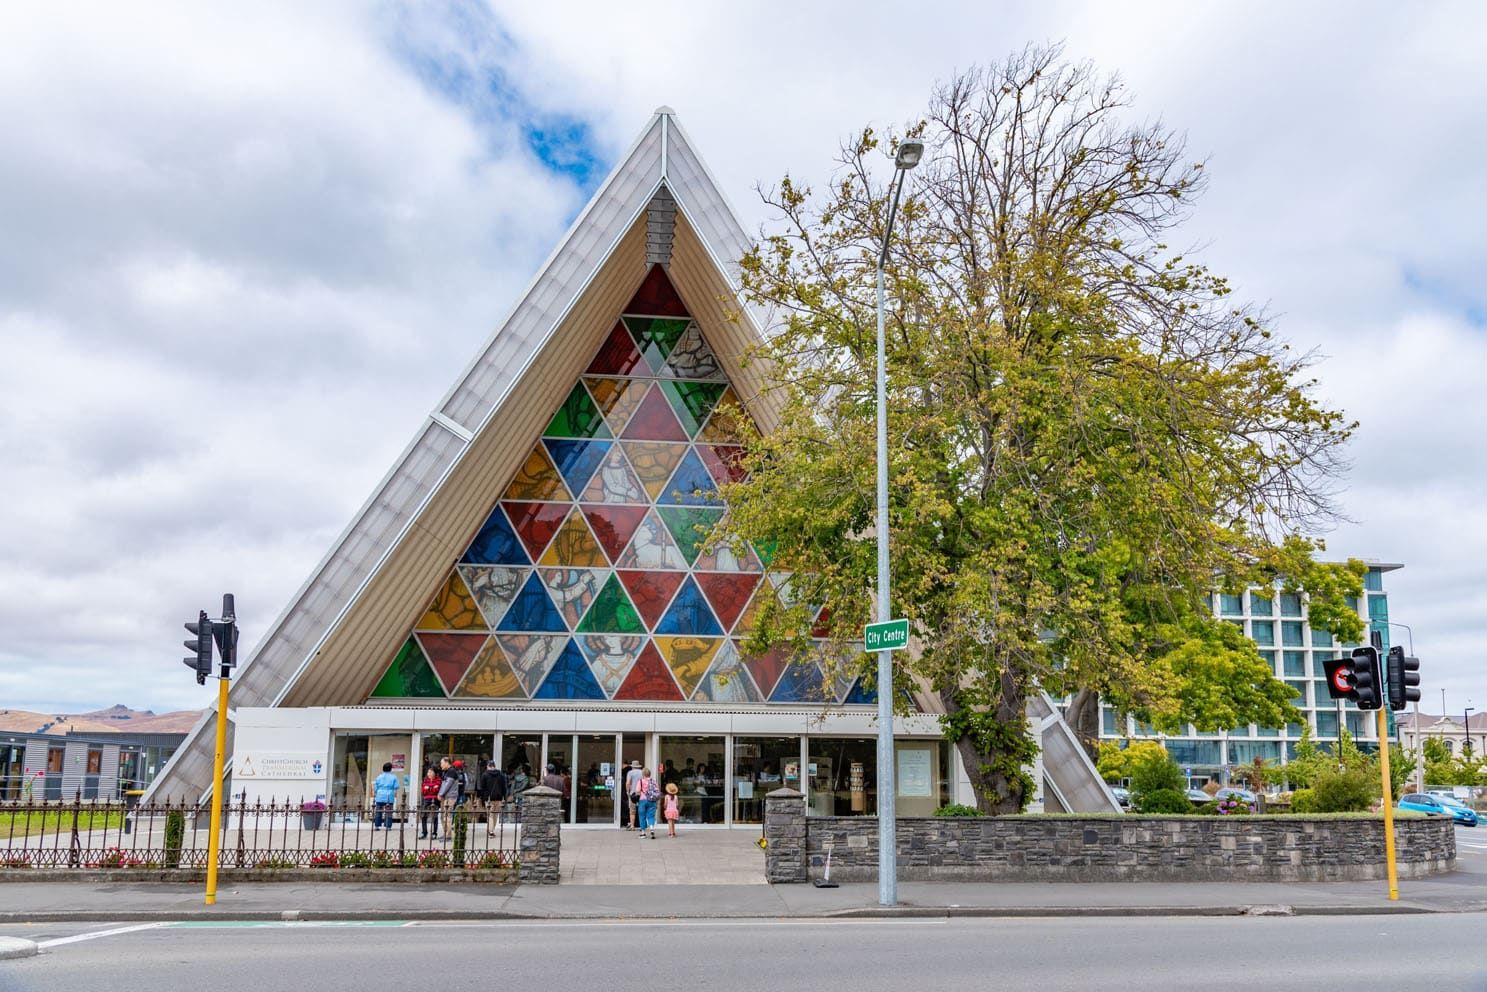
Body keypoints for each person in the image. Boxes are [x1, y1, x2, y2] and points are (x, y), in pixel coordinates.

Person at [371, 761, 399, 830]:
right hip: (389, 796)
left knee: (378, 811)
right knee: (388, 812)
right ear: (391, 769)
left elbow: (375, 788)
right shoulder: (393, 777)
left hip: (380, 796)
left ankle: (377, 826)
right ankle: (388, 826)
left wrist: (376, 792)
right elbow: (396, 786)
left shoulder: (379, 777)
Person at [437, 757, 459, 840]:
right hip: (445, 797)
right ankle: (445, 833)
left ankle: (448, 835)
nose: (441, 765)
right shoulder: (446, 772)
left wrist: (440, 794)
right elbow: (443, 784)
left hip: (450, 797)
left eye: (442, 763)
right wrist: (440, 794)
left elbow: (447, 785)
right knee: (443, 816)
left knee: (447, 816)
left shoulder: (451, 772)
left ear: (447, 763)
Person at [636, 767, 659, 838]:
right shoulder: (654, 781)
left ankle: (643, 833)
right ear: (649, 774)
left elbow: (637, 791)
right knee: (651, 816)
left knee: (642, 816)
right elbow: (657, 791)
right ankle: (651, 829)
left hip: (643, 800)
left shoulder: (640, 781)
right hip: (652, 801)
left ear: (643, 774)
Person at [418, 766, 441, 839]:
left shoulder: (439, 780)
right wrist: (432, 787)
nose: (429, 773)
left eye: (431, 772)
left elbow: (437, 790)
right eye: (428, 772)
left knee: (434, 817)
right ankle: (424, 833)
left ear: (435, 773)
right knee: (424, 816)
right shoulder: (425, 780)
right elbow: (423, 791)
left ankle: (434, 833)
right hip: (426, 799)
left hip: (435, 799)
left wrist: (429, 788)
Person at [623, 759, 643, 830]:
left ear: (632, 766)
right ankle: (642, 826)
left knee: (632, 810)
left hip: (633, 794)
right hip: (641, 794)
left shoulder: (630, 773)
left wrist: (627, 792)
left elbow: (628, 783)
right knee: (641, 810)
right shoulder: (642, 772)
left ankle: (632, 826)